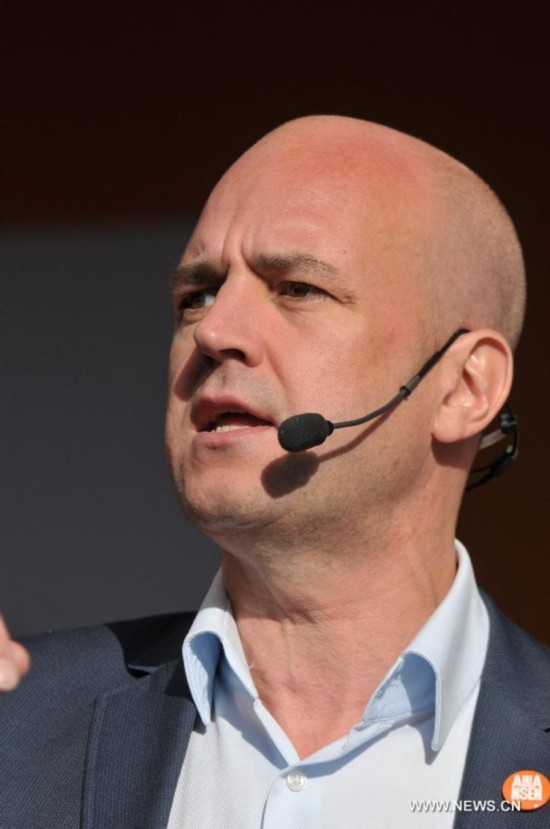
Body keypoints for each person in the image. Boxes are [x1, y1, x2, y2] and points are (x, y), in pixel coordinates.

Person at [1, 115, 549, 829]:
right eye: (195, 294)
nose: (214, 330)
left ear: (463, 388)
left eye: (296, 287)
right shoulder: (18, 725)